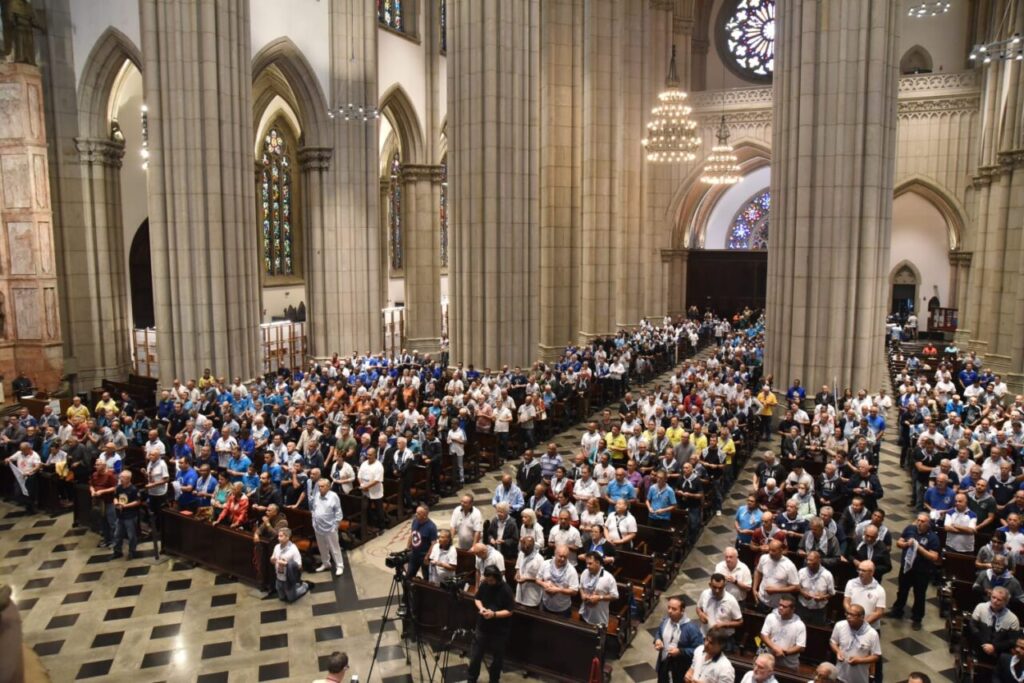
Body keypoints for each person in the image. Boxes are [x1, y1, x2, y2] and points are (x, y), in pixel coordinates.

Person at [889, 512, 940, 628]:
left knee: (919, 595)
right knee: (902, 590)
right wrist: (906, 544)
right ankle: (897, 610)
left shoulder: (933, 537)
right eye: (918, 520)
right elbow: (899, 542)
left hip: (922, 571)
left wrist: (919, 548)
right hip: (907, 567)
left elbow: (934, 557)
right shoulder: (910, 529)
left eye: (922, 521)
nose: (919, 523)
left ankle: (917, 618)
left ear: (928, 523)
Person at [466, 565, 515, 683]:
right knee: (475, 656)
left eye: (491, 580)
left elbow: (510, 611)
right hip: (482, 627)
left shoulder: (506, 590)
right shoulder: (485, 584)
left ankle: (494, 680)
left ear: (497, 578)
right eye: (487, 580)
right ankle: (471, 679)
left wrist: (494, 614)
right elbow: (477, 598)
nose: (489, 583)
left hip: (499, 630)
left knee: (497, 659)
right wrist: (481, 608)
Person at [654, 595, 704, 683]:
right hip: (664, 664)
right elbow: (659, 632)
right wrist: (658, 640)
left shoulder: (691, 629)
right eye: (669, 607)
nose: (670, 611)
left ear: (682, 610)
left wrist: (680, 651)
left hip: (680, 668)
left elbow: (700, 650)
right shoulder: (666, 620)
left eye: (674, 609)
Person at [829, 604, 881, 683]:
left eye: (852, 615)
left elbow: (876, 656)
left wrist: (860, 660)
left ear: (861, 617)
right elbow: (833, 642)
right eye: (847, 613)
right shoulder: (840, 625)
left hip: (859, 678)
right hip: (840, 675)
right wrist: (838, 651)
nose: (848, 617)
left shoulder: (872, 634)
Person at [968, 587, 1021, 661]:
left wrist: (994, 647)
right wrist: (984, 644)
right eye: (993, 597)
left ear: (1005, 602)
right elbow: (972, 626)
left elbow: (1012, 641)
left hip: (999, 652)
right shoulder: (981, 607)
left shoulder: (1013, 619)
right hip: (979, 645)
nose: (995, 601)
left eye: (999, 600)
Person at [759, 594, 806, 670]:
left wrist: (784, 652)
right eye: (780, 605)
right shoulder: (771, 617)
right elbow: (764, 635)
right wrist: (774, 648)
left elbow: (801, 647)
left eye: (784, 606)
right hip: (769, 660)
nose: (781, 608)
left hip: (789, 665)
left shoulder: (800, 625)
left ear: (792, 609)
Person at [311, 478, 345, 576]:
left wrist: (335, 525)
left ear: (328, 487)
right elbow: (314, 509)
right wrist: (314, 522)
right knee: (322, 547)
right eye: (319, 486)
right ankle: (326, 563)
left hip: (330, 527)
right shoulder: (317, 495)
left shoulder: (333, 496)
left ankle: (339, 566)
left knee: (334, 548)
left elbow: (338, 512)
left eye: (322, 486)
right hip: (318, 527)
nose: (320, 488)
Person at [696, 574, 743, 643]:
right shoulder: (705, 594)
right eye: (714, 587)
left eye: (720, 588)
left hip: (723, 639)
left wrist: (723, 624)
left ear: (724, 586)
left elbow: (740, 622)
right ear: (710, 585)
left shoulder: (731, 600)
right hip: (705, 635)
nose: (717, 590)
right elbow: (698, 607)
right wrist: (700, 614)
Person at [753, 540, 799, 610]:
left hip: (777, 605)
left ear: (781, 550)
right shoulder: (764, 558)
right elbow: (758, 571)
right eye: (769, 550)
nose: (770, 553)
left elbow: (796, 587)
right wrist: (754, 589)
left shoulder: (789, 566)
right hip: (761, 599)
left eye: (774, 551)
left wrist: (776, 590)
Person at [537, 543, 579, 617]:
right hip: (545, 604)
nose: (562, 559)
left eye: (565, 557)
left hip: (562, 609)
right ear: (555, 554)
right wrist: (544, 584)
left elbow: (574, 591)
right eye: (560, 556)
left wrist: (558, 590)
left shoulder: (571, 570)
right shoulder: (545, 564)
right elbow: (537, 579)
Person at [578, 551, 619, 627]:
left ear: (598, 563)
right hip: (584, 614)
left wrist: (600, 597)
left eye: (590, 563)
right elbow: (581, 587)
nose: (587, 566)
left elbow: (615, 596)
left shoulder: (608, 578)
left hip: (599, 619)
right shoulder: (585, 572)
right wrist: (582, 594)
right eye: (586, 563)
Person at [270, 527, 309, 603]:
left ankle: (304, 586)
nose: (278, 538)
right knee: (281, 598)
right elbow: (272, 559)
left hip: (288, 579)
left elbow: (299, 566)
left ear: (287, 537)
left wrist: (287, 564)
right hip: (279, 577)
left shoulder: (293, 549)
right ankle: (287, 590)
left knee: (291, 598)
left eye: (281, 536)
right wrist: (272, 559)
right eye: (278, 536)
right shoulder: (276, 547)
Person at [796, 550, 835, 625]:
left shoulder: (827, 575)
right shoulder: (801, 572)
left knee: (815, 630)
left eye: (811, 560)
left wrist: (822, 597)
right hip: (802, 607)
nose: (808, 562)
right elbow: (796, 586)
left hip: (819, 611)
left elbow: (832, 593)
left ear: (819, 560)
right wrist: (802, 592)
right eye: (807, 559)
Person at [111, 470, 141, 559]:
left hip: (130, 516)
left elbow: (137, 502)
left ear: (128, 479)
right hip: (120, 516)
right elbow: (115, 497)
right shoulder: (119, 488)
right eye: (120, 477)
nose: (120, 479)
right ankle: (117, 551)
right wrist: (116, 503)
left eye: (122, 477)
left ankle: (132, 552)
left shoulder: (133, 489)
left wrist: (125, 506)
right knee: (117, 535)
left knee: (131, 536)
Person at [5, 442, 41, 514]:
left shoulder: (35, 455)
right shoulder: (19, 453)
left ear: (29, 449)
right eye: (21, 449)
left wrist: (30, 471)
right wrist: (7, 459)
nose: (22, 451)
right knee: (17, 493)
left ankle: (31, 509)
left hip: (29, 477)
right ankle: (29, 505)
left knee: (29, 494)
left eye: (23, 450)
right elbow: (10, 458)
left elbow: (37, 466)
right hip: (20, 476)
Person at [89, 460, 118, 547]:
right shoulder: (94, 474)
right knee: (103, 522)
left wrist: (102, 491)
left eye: (98, 465)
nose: (96, 466)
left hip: (109, 502)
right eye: (95, 465)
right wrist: (92, 491)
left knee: (112, 522)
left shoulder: (110, 475)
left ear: (104, 465)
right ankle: (106, 540)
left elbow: (114, 488)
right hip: (99, 502)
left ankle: (115, 541)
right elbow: (91, 485)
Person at [407, 504, 438, 580]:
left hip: (424, 556)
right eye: (416, 512)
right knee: (409, 575)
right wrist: (408, 547)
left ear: (424, 515)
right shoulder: (415, 521)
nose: (415, 514)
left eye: (418, 513)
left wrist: (427, 556)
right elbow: (412, 534)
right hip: (414, 554)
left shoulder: (431, 527)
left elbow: (433, 544)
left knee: (426, 577)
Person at [357, 448, 385, 528]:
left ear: (374, 455)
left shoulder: (378, 466)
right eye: (367, 454)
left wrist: (367, 486)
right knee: (368, 509)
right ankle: (372, 525)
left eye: (370, 455)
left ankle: (381, 526)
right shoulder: (364, 464)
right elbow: (359, 476)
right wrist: (362, 485)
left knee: (379, 510)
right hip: (365, 491)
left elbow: (377, 480)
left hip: (376, 492)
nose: (368, 456)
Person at [514, 535, 545, 607]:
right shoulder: (521, 553)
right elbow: (518, 566)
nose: (524, 553)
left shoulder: (539, 559)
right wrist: (517, 573)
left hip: (532, 595)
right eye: (523, 551)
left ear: (532, 547)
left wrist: (527, 579)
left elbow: (542, 579)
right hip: (519, 591)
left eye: (526, 551)